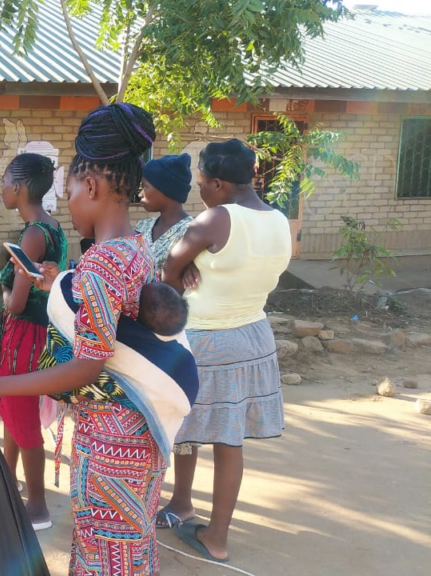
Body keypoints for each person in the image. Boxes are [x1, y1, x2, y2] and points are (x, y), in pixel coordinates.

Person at [0, 104, 169, 576]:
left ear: (91, 186)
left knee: (106, 557)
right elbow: (114, 317)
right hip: (140, 431)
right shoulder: (136, 246)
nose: (67, 203)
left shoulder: (100, 264)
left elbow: (87, 366)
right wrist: (60, 285)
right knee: (130, 552)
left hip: (111, 444)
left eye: (69, 190)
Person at [157, 139, 291, 564]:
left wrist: (187, 267)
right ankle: (202, 521)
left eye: (201, 183)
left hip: (207, 339)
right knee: (228, 439)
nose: (199, 191)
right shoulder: (279, 219)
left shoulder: (217, 218)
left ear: (218, 183)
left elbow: (168, 273)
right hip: (253, 335)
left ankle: (196, 518)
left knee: (185, 422)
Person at [0, 153, 67, 530]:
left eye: (5, 180)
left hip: (25, 336)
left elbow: (18, 303)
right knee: (12, 409)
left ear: (19, 188)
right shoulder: (52, 226)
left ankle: (37, 507)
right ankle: (8, 482)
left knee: (21, 416)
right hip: (39, 334)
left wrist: (4, 292)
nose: (2, 187)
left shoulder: (33, 235)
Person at [135, 153, 194, 269]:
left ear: (165, 190)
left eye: (145, 187)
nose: (140, 194)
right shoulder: (143, 226)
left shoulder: (192, 231)